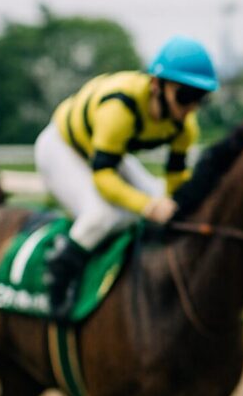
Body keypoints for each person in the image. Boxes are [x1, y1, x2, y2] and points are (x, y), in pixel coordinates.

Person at [34, 34, 218, 319]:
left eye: (200, 98)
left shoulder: (185, 128)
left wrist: (172, 205)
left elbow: (175, 179)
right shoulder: (119, 109)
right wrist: (147, 206)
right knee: (101, 216)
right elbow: (104, 178)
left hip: (104, 151)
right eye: (186, 96)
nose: (191, 107)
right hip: (62, 147)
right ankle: (59, 275)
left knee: (158, 199)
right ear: (156, 86)